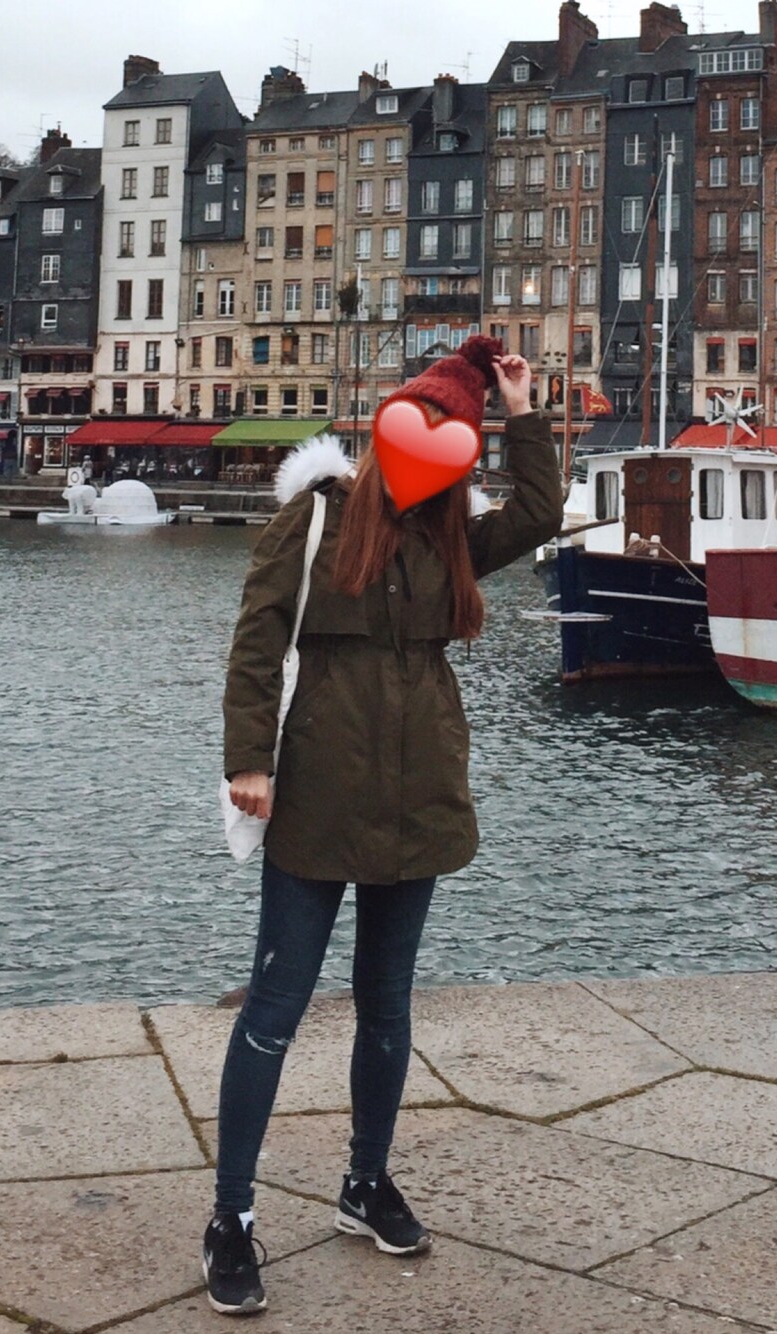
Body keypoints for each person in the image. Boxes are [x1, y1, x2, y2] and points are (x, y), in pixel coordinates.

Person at [203, 336, 563, 1316]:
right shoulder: (316, 518)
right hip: (319, 793)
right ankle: (231, 1216)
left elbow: (541, 512)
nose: (428, 453)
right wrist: (248, 760)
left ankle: (365, 1182)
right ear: (386, 430)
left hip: (418, 793)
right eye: (422, 428)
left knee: (388, 1003)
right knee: (274, 1008)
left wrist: (522, 410)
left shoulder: (451, 536)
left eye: (452, 441)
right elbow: (256, 642)